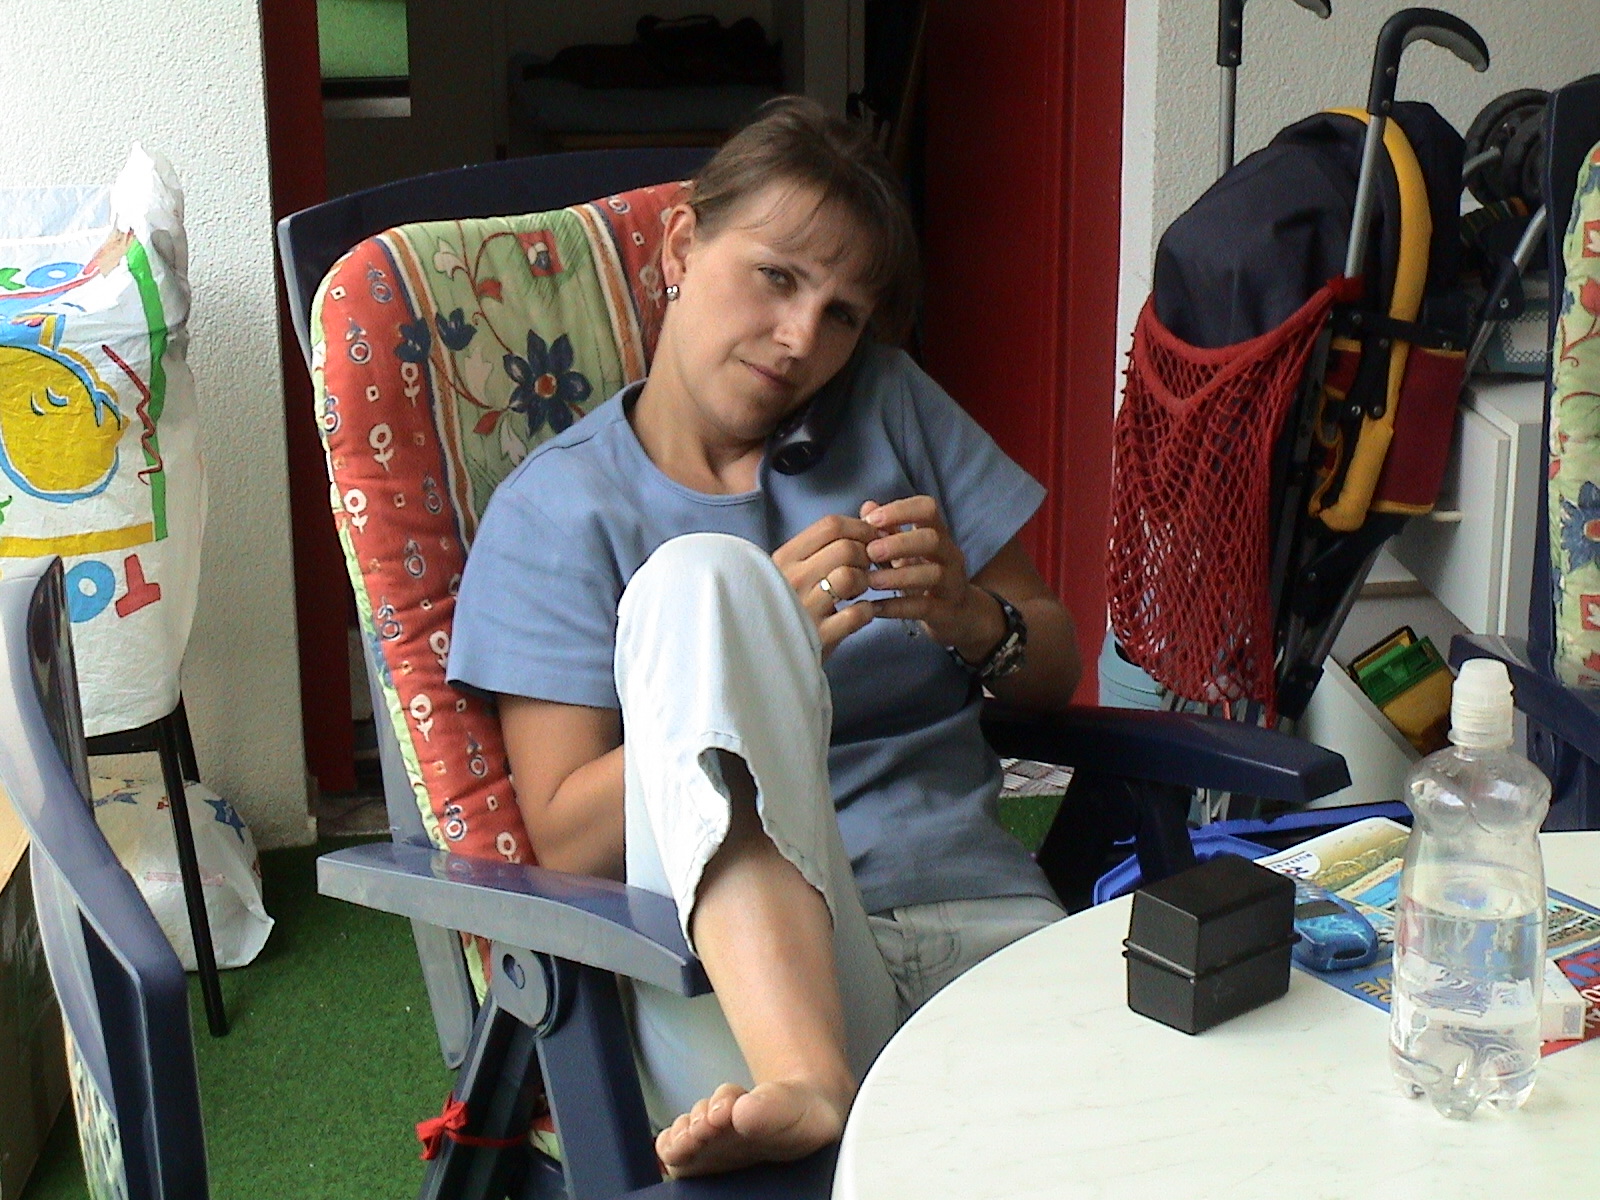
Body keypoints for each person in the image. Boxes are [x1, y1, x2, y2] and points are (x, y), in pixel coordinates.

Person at [447, 96, 1082, 1179]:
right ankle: (810, 1080)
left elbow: (1055, 665)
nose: (800, 340)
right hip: (736, 993)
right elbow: (566, 839)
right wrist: (751, 666)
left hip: (983, 930)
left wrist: (975, 620)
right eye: (777, 278)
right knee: (703, 583)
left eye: (841, 315)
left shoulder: (886, 405)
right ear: (681, 247)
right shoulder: (559, 511)